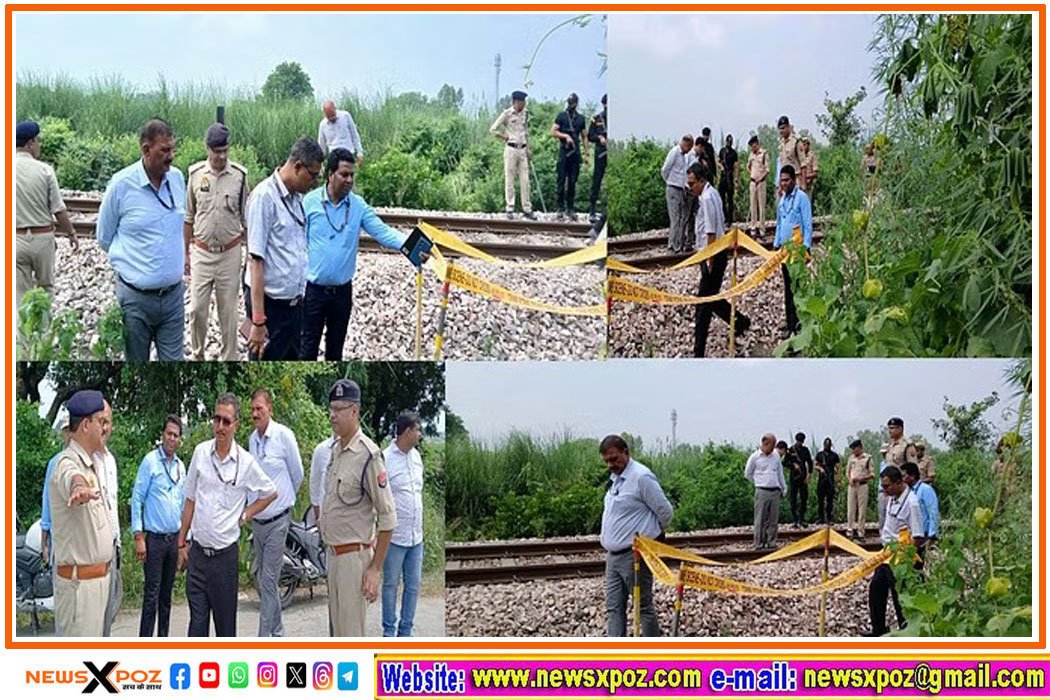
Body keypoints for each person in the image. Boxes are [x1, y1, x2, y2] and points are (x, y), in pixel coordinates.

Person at [300, 147, 415, 361]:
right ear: (330, 174)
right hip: (313, 292)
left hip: (342, 293)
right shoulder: (309, 203)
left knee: (335, 352)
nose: (349, 180)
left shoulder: (358, 206)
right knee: (307, 350)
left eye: (352, 175)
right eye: (344, 174)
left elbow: (383, 232)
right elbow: (297, 244)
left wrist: (412, 246)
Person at [177, 393, 277, 637]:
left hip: (225, 561)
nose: (220, 426)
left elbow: (270, 492)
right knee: (197, 628)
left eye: (226, 421)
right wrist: (181, 543)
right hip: (198, 556)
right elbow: (190, 500)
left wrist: (246, 514)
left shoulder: (245, 463)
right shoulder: (201, 453)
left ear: (236, 425)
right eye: (217, 419)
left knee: (225, 632)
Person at [97, 119, 187, 361]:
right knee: (136, 365)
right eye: (164, 150)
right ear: (146, 150)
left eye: (172, 149)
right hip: (136, 301)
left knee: (174, 365)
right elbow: (104, 237)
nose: (171, 156)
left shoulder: (177, 179)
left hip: (173, 298)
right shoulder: (121, 185)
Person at [319, 379, 397, 637]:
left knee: (351, 640)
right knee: (338, 638)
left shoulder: (368, 455)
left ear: (354, 411)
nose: (332, 416)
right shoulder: (336, 450)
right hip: (334, 557)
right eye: (331, 408)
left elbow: (388, 518)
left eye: (338, 409)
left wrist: (375, 568)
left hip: (354, 559)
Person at [244, 137, 325, 361]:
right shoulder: (264, 198)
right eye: (313, 175)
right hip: (271, 309)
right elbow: (256, 261)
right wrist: (258, 321)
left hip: (294, 307)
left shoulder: (296, 199)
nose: (315, 182)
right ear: (298, 166)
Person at [49, 390, 113, 637]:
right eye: (101, 422)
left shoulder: (91, 462)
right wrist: (78, 486)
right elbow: (71, 477)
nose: (105, 428)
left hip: (96, 583)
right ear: (86, 425)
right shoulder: (68, 462)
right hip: (80, 589)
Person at [184, 123, 249, 361]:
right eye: (216, 151)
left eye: (225, 150)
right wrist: (186, 254)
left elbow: (246, 219)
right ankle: (197, 355)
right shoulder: (195, 175)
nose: (221, 156)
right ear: (207, 149)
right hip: (202, 252)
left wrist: (250, 257)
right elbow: (188, 217)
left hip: (230, 253)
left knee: (229, 314)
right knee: (197, 310)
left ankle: (228, 358)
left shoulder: (239, 177)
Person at [598, 435, 673, 637]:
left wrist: (651, 538)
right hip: (613, 556)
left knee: (642, 607)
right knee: (613, 607)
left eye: (614, 459)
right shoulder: (616, 479)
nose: (610, 464)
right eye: (606, 461)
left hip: (635, 555)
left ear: (626, 452)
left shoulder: (641, 477)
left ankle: (652, 655)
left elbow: (665, 512)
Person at [248, 388, 304, 637]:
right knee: (263, 578)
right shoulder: (252, 439)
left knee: (269, 579)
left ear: (270, 409)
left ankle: (263, 639)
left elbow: (297, 473)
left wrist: (283, 500)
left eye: (259, 408)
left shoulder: (284, 436)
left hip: (278, 520)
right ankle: (278, 632)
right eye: (252, 409)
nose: (255, 413)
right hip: (257, 522)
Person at [687, 163, 750, 357]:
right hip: (713, 254)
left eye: (692, 184)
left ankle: (699, 352)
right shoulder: (712, 193)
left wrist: (709, 262)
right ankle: (740, 321)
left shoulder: (706, 198)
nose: (690, 188)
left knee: (703, 304)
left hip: (712, 255)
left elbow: (711, 232)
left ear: (701, 181)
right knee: (712, 298)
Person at [129, 415, 185, 637]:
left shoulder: (181, 467)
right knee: (151, 594)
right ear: (162, 435)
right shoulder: (150, 462)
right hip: (154, 540)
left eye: (176, 435)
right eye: (169, 434)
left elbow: (183, 504)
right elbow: (137, 498)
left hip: (173, 540)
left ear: (180, 439)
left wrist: (184, 541)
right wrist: (138, 536)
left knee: (166, 596)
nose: (172, 438)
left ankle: (163, 640)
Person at [15, 119, 78, 311]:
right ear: (30, 143)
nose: (40, 145)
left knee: (20, 294)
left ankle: (23, 340)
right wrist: (71, 233)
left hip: (15, 239)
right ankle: (43, 335)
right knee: (46, 289)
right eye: (38, 141)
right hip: (42, 239)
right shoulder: (45, 170)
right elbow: (58, 209)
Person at [382, 411, 425, 637]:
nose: (420, 434)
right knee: (390, 585)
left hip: (416, 536)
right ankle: (389, 632)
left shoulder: (416, 457)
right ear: (407, 431)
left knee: (413, 586)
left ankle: (405, 632)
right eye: (417, 430)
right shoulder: (385, 458)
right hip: (395, 537)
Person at [866, 465, 923, 636]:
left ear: (899, 483)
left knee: (901, 598)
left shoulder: (912, 503)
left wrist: (906, 559)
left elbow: (918, 536)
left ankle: (906, 633)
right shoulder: (893, 497)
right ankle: (878, 631)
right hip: (887, 555)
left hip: (901, 558)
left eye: (887, 486)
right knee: (876, 589)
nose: (884, 490)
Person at [40, 408, 72, 635]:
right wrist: (44, 542)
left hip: (77, 542)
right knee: (62, 595)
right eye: (66, 431)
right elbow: (47, 504)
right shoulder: (55, 462)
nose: (69, 435)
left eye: (72, 429)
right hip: (58, 538)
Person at [773, 165, 813, 336]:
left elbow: (808, 224)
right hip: (785, 251)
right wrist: (776, 244)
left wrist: (807, 248)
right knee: (787, 289)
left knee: (797, 289)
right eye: (781, 180)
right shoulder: (783, 200)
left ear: (794, 180)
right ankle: (790, 324)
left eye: (786, 180)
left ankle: (797, 327)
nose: (783, 183)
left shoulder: (802, 198)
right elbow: (780, 223)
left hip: (797, 251)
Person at [95, 400, 122, 637]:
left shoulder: (110, 461)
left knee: (106, 621)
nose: (104, 428)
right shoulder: (83, 459)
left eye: (108, 422)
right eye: (100, 422)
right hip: (92, 555)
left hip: (112, 550)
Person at [489, 90, 535, 220]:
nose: (523, 104)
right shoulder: (507, 114)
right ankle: (510, 207)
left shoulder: (525, 114)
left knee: (525, 180)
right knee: (510, 179)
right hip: (511, 149)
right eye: (521, 102)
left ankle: (527, 208)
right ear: (515, 102)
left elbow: (526, 132)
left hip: (523, 149)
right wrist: (503, 136)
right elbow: (493, 129)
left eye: (524, 102)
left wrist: (528, 148)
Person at [745, 434, 787, 550]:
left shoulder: (776, 456)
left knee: (773, 519)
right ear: (765, 444)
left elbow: (779, 473)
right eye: (772, 445)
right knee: (760, 519)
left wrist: (784, 487)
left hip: (775, 490)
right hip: (762, 490)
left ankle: (771, 542)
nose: (773, 448)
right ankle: (759, 543)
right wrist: (757, 482)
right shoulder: (755, 457)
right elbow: (748, 473)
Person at [551, 93, 587, 220]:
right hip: (564, 151)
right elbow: (553, 131)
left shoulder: (581, 118)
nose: (571, 105)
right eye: (570, 102)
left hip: (575, 152)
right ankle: (560, 208)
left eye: (573, 103)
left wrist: (586, 153)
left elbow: (584, 136)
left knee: (572, 181)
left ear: (577, 103)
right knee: (561, 180)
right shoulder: (562, 116)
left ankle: (570, 208)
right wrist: (565, 136)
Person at [661, 135, 694, 252]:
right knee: (675, 219)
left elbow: (683, 173)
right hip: (673, 188)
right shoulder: (674, 152)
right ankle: (672, 246)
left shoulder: (684, 156)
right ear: (685, 144)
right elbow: (665, 169)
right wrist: (670, 182)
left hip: (681, 189)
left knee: (680, 219)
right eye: (689, 147)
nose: (690, 150)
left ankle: (678, 245)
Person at [901, 462, 940, 551]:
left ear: (912, 476)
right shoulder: (907, 491)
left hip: (923, 535)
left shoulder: (925, 490)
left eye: (904, 476)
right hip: (911, 533)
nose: (902, 479)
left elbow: (933, 512)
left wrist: (932, 536)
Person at [845, 439, 874, 540]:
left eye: (855, 449)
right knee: (851, 508)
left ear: (860, 448)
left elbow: (872, 474)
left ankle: (861, 531)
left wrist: (861, 478)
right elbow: (847, 471)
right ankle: (850, 529)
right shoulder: (851, 458)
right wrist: (850, 480)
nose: (853, 451)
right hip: (852, 486)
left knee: (862, 509)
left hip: (862, 485)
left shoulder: (867, 458)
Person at [587, 94, 608, 222]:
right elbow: (590, 136)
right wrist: (599, 138)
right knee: (597, 180)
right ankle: (592, 210)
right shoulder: (596, 118)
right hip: (601, 152)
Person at [746, 135, 770, 238]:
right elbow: (748, 166)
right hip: (753, 182)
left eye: (753, 145)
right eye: (751, 146)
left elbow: (767, 170)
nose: (752, 148)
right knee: (753, 205)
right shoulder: (751, 155)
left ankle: (762, 228)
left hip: (761, 182)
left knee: (761, 206)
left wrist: (760, 177)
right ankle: (753, 227)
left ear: (757, 144)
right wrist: (752, 174)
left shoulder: (764, 154)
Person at [814, 437, 840, 525]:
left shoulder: (834, 455)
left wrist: (838, 478)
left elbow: (838, 467)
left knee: (830, 500)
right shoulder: (820, 455)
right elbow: (815, 465)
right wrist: (820, 468)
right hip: (821, 480)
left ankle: (829, 518)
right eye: (826, 444)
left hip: (830, 479)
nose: (827, 446)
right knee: (820, 500)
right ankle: (821, 518)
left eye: (828, 444)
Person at [775, 115, 802, 199]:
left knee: (796, 206)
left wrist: (803, 183)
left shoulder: (796, 142)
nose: (781, 131)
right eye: (780, 129)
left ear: (788, 127)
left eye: (783, 128)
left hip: (795, 179)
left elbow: (803, 164)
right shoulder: (781, 144)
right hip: (784, 182)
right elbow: (781, 166)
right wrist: (780, 185)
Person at [791, 432, 814, 528]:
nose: (800, 443)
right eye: (799, 441)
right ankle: (795, 520)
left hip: (803, 476)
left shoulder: (805, 450)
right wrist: (793, 465)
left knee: (804, 498)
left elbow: (810, 462)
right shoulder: (791, 450)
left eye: (802, 441)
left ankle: (802, 518)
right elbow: (785, 462)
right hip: (793, 477)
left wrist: (809, 474)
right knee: (793, 499)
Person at [717, 134, 739, 225]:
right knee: (721, 198)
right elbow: (717, 160)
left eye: (730, 142)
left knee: (730, 199)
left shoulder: (734, 153)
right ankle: (724, 217)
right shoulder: (722, 151)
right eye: (728, 141)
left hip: (730, 176)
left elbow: (736, 166)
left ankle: (730, 219)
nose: (729, 143)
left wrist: (737, 179)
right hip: (723, 177)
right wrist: (721, 166)